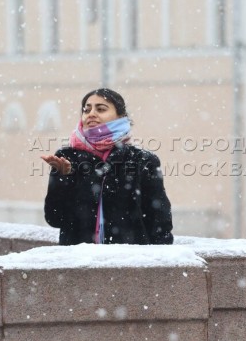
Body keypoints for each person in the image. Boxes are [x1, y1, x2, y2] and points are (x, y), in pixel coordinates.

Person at [40, 88, 173, 246]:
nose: (91, 114)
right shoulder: (67, 157)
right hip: (78, 262)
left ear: (121, 116)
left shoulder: (142, 160)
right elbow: (55, 219)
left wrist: (160, 264)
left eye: (101, 109)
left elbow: (160, 221)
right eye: (86, 109)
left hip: (129, 262)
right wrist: (64, 177)